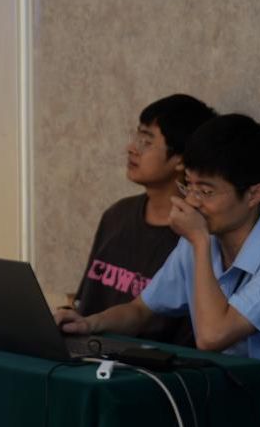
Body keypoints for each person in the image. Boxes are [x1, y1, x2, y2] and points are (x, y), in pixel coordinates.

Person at [56, 113, 260, 407]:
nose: (192, 201)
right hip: (223, 407)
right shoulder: (198, 240)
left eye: (206, 191)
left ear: (253, 194)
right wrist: (88, 324)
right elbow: (140, 310)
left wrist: (199, 242)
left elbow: (213, 337)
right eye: (188, 186)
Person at [71, 94, 216, 346]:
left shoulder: (197, 233)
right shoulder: (117, 214)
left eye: (147, 141)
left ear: (181, 160)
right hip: (90, 350)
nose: (132, 148)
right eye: (136, 136)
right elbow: (85, 303)